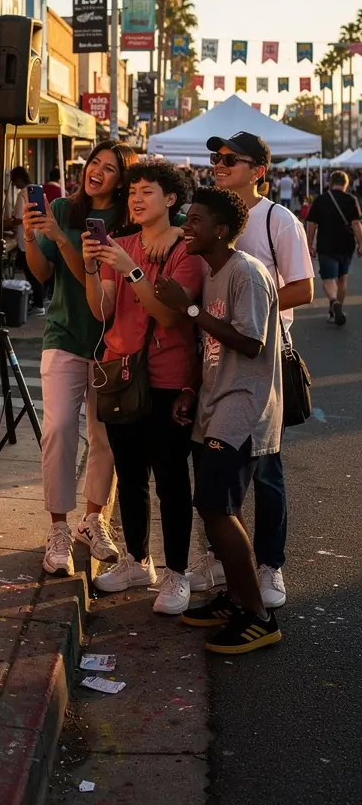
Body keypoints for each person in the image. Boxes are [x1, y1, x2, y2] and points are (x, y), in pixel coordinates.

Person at [186, 132, 312, 610]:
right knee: (221, 475)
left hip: (263, 357)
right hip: (215, 354)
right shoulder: (208, 218)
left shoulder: (279, 220)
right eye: (214, 157)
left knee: (266, 468)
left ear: (258, 170)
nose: (218, 164)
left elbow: (303, 289)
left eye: (229, 159)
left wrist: (251, 302)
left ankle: (268, 566)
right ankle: (223, 560)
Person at [157, 187, 283, 654]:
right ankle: (235, 599)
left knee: (215, 506)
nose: (186, 227)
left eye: (195, 221)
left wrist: (186, 307)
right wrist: (191, 389)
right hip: (213, 405)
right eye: (186, 219)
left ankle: (258, 615)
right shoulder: (213, 274)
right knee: (213, 506)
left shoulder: (246, 274)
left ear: (223, 230)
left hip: (242, 409)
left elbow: (250, 343)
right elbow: (209, 344)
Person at [83, 162, 204, 616]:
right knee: (130, 475)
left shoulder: (186, 250)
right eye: (132, 192)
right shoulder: (122, 244)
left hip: (170, 377)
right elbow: (103, 310)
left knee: (171, 479)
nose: (135, 199)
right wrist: (94, 268)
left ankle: (176, 573)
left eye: (146, 192)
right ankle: (138, 560)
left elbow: (171, 315)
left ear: (170, 199)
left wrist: (133, 270)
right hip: (121, 374)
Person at [23, 141, 136, 577]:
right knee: (58, 429)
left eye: (109, 169)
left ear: (122, 180)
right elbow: (40, 272)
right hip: (64, 335)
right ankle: (57, 528)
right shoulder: (65, 210)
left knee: (103, 435)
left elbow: (87, 273)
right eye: (95, 164)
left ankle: (94, 520)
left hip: (112, 341)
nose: (98, 172)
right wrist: (33, 233)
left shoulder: (127, 222)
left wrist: (62, 241)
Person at [306, 171, 362, 326]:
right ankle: (338, 308)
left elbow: (311, 224)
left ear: (330, 183)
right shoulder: (351, 200)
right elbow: (356, 225)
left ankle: (333, 300)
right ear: (346, 184)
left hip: (326, 244)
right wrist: (361, 244)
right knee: (343, 277)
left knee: (329, 278)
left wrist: (309, 243)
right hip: (346, 244)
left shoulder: (321, 200)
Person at [6, 166, 45, 315]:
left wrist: (7, 222)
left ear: (19, 179)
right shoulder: (36, 191)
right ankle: (38, 301)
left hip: (25, 240)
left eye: (14, 181)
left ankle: (38, 303)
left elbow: (18, 219)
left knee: (31, 272)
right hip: (37, 236)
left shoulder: (23, 194)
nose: (14, 184)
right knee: (35, 271)